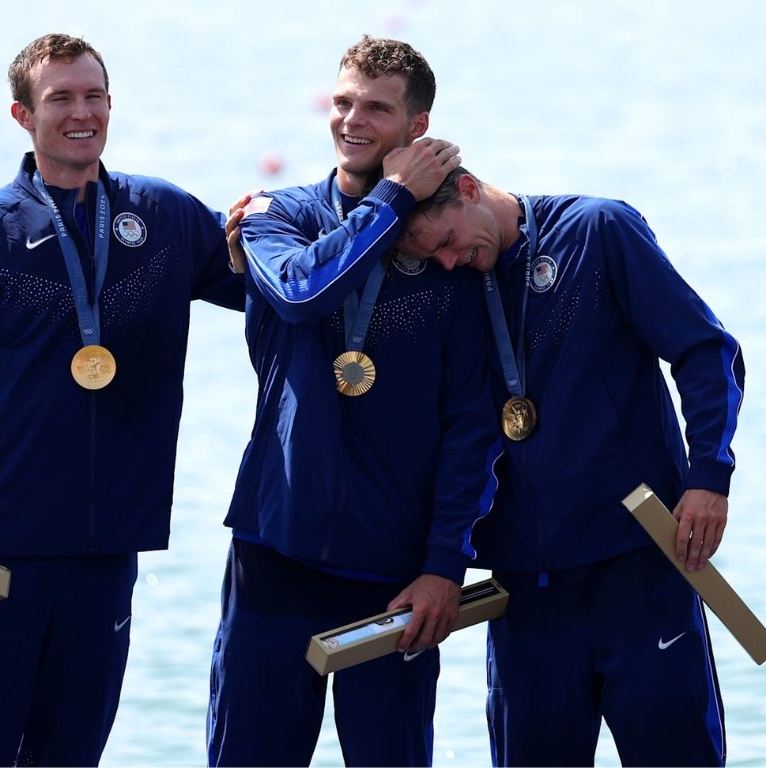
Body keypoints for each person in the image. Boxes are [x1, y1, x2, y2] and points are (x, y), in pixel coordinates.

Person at [0, 33, 245, 766]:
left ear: (111, 105)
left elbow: (279, 293)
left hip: (106, 555)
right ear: (23, 114)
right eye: (60, 98)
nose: (80, 112)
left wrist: (346, 215)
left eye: (93, 96)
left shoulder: (164, 218)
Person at [207, 37, 498, 766]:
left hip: (394, 575)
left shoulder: (449, 255)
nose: (352, 120)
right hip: (276, 553)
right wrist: (391, 197)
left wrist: (443, 563)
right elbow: (303, 293)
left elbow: (471, 424)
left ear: (417, 128)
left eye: (376, 107)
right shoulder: (278, 216)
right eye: (342, 102)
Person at [395, 166, 745, 766]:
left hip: (638, 571)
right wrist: (444, 559)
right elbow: (462, 440)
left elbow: (705, 350)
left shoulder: (598, 229)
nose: (449, 262)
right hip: (527, 593)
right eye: (432, 257)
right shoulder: (452, 284)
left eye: (449, 241)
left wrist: (709, 475)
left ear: (471, 188)